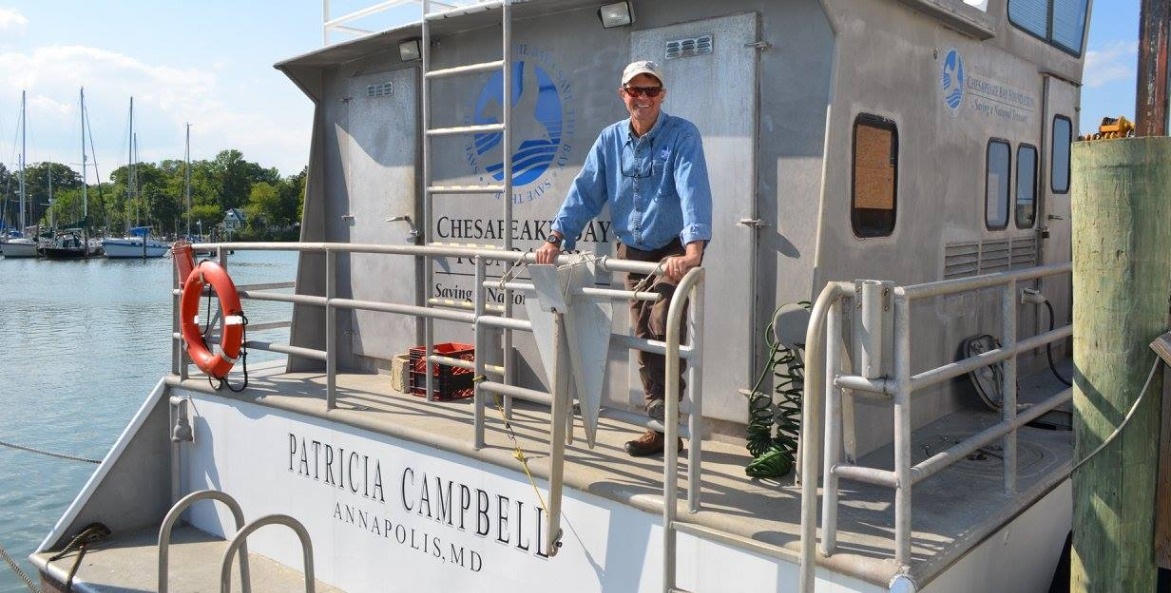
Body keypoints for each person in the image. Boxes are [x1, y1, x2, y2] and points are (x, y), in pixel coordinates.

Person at [535, 60, 712, 457]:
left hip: (672, 249)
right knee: (640, 332)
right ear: (623, 95)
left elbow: (691, 185)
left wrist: (693, 247)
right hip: (632, 249)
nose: (643, 98)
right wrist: (555, 237)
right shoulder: (610, 140)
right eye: (636, 91)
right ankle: (661, 427)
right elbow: (585, 191)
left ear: (662, 95)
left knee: (663, 321)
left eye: (651, 91)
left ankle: (666, 412)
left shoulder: (682, 135)